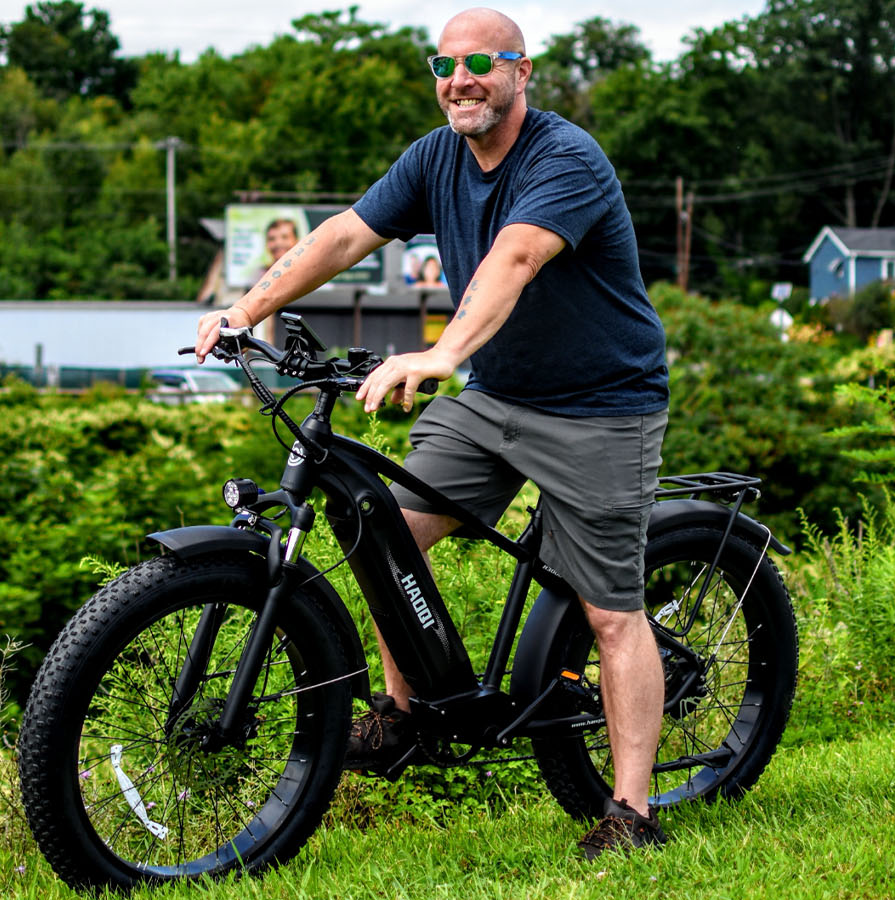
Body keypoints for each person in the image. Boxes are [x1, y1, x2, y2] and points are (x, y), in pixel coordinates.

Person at [194, 7, 670, 861]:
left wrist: (444, 351)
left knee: (610, 613)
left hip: (601, 406)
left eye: (482, 62)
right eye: (445, 64)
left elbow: (515, 258)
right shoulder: (435, 157)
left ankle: (632, 810)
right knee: (384, 532)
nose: (461, 79)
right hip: (497, 395)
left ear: (524, 71)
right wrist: (244, 308)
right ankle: (402, 712)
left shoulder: (566, 159)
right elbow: (345, 233)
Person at [245, 218, 300, 283]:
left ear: (297, 240)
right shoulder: (258, 275)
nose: (278, 243)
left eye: (285, 237)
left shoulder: (307, 272)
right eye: (272, 239)